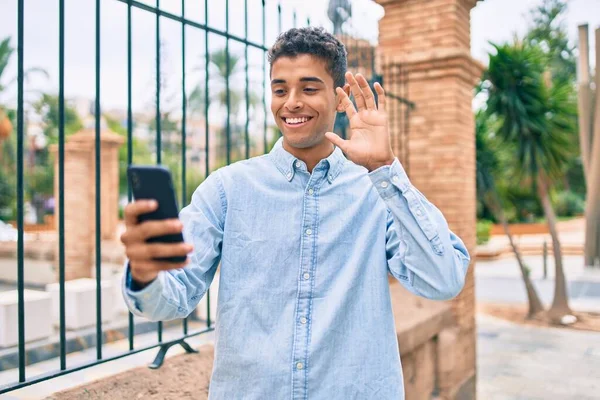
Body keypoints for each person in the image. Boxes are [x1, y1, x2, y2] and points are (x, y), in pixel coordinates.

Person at [120, 27, 470, 400]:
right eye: (280, 89)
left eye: (309, 88)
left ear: (339, 98)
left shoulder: (377, 191)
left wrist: (385, 168)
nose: (291, 103)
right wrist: (145, 274)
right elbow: (171, 299)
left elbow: (443, 279)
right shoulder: (227, 189)